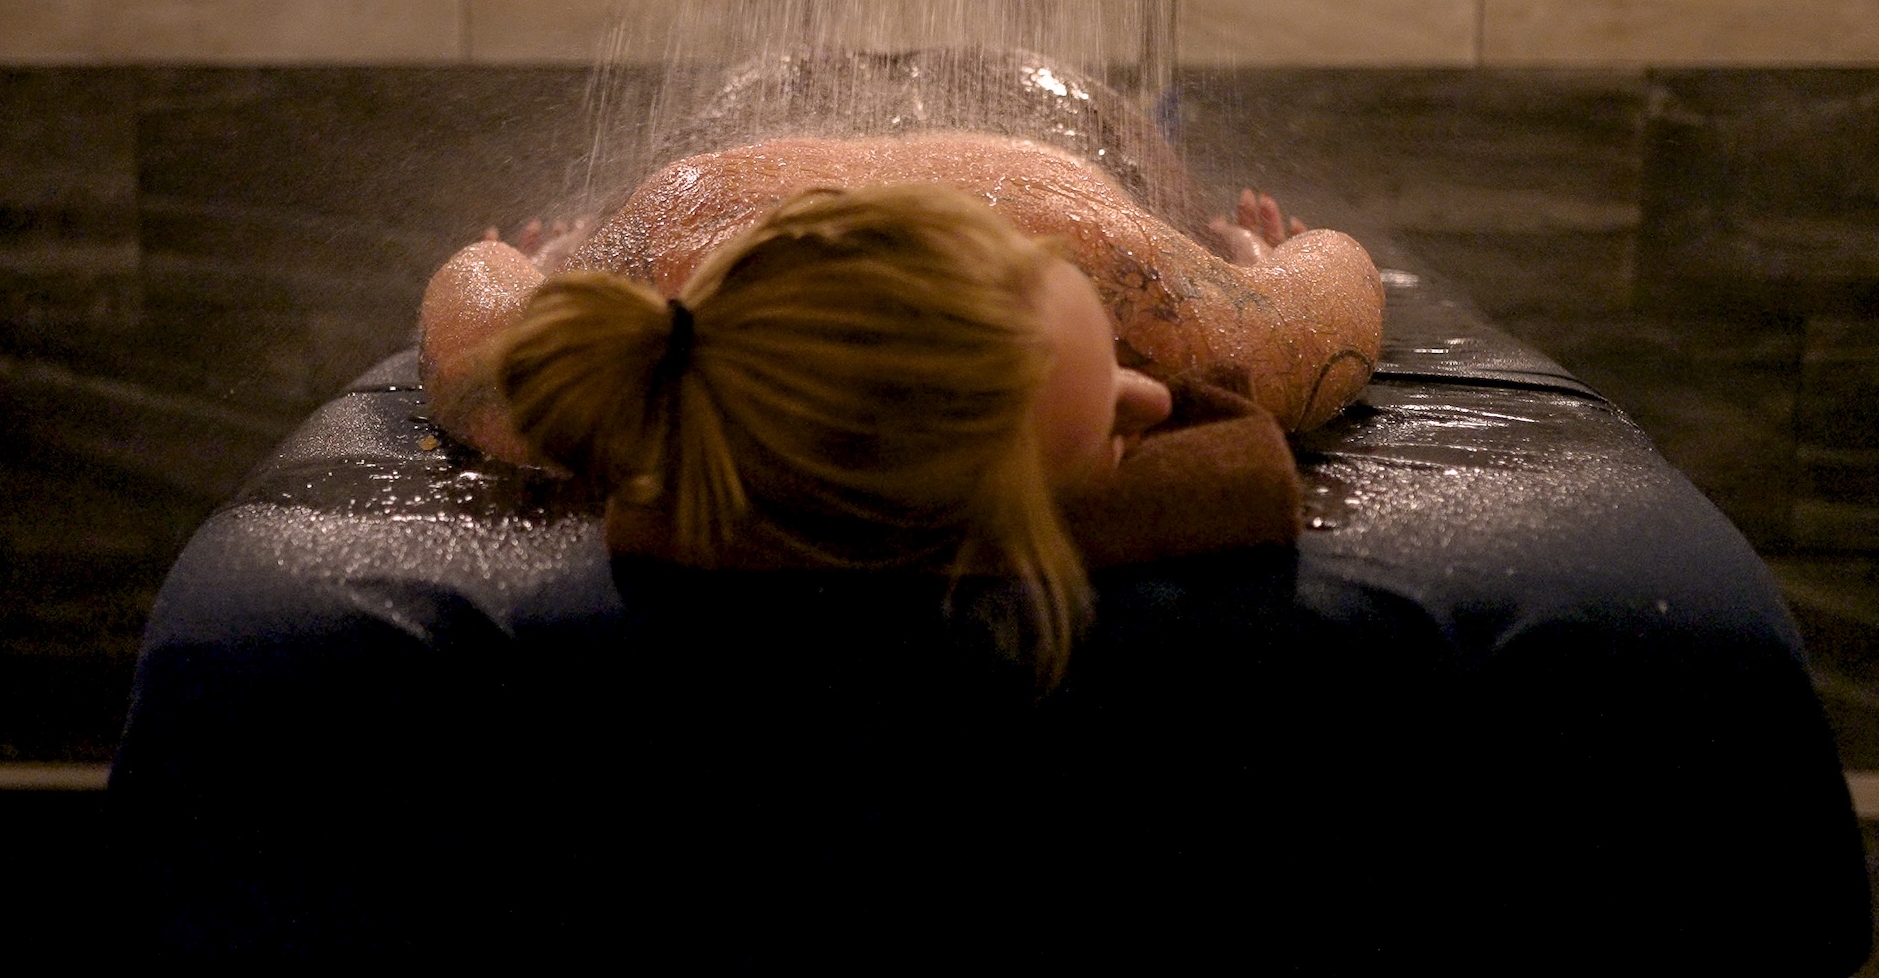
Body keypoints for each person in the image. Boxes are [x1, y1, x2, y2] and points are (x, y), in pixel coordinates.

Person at [418, 59, 1382, 679]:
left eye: (1113, 408)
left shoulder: (1146, 285)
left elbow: (481, 277)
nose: (1159, 395)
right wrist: (1256, 277)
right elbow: (1335, 263)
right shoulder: (635, 333)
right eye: (1108, 424)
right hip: (787, 123)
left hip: (996, 106)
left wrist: (1244, 286)